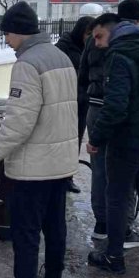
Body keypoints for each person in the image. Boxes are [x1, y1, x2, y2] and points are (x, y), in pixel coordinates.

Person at [0, 1, 78, 278]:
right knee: (55, 227)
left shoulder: (27, 64)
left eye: (6, 32)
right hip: (60, 164)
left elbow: (18, 124)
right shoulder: (61, 58)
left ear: (17, 31)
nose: (5, 39)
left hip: (34, 168)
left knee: (26, 235)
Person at [86, 0, 139, 275]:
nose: (98, 44)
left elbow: (115, 106)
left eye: (99, 36)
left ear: (113, 30)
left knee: (117, 196)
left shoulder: (119, 56)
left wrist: (96, 138)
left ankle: (114, 256)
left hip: (129, 140)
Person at [79, 10, 139, 248]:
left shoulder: (92, 41)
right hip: (116, 111)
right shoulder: (126, 44)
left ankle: (102, 224)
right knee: (121, 172)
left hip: (94, 109)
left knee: (99, 170)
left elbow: (83, 75)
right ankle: (124, 229)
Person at [55, 15, 94, 194]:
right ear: (80, 32)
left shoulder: (91, 49)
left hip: (82, 103)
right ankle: (56, 177)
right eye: (88, 34)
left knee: (75, 141)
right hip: (64, 102)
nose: (90, 38)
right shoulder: (63, 47)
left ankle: (68, 178)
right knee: (60, 140)